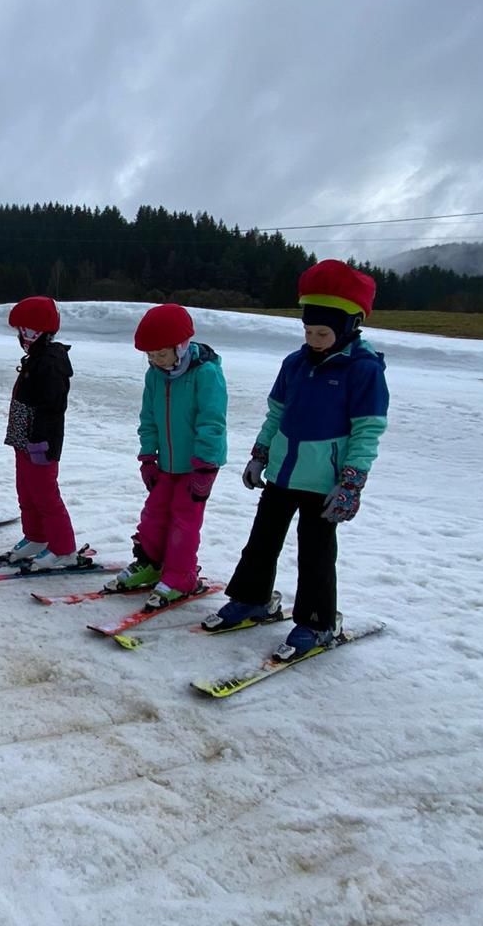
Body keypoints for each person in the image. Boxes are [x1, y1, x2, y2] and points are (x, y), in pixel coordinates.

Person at [204, 259, 389, 659]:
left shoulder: (364, 370)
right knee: (261, 541)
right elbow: (276, 415)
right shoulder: (294, 363)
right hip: (283, 474)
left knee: (316, 554)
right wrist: (260, 455)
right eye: (308, 331)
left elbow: (367, 431)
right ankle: (252, 599)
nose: (314, 340)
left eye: (323, 333)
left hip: (325, 483)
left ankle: (318, 623)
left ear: (349, 327)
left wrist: (351, 483)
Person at [107, 303, 227, 608]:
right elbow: (148, 418)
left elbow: (212, 421)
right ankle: (151, 563)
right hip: (166, 464)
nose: (155, 361)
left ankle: (181, 576)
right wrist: (148, 457)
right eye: (150, 356)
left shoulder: (206, 374)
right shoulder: (155, 375)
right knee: (154, 514)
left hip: (197, 466)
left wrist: (205, 466)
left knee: (184, 522)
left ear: (181, 346)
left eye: (160, 354)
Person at [0, 296, 81, 570]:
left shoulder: (51, 362)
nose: (19, 336)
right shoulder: (35, 358)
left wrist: (39, 440)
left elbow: (53, 407)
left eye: (21, 330)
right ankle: (36, 536)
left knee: (45, 496)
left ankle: (64, 549)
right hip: (24, 439)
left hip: (41, 443)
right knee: (26, 491)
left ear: (35, 331)